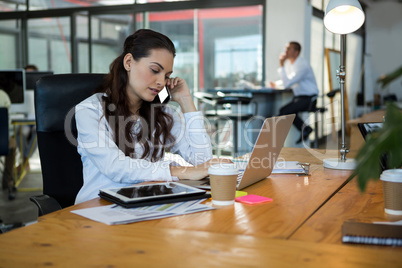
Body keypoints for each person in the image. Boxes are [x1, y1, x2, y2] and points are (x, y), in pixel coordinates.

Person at [74, 29, 229, 204]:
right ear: (129, 62)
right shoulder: (90, 110)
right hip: (98, 208)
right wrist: (181, 172)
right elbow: (115, 166)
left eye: (167, 76)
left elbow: (202, 161)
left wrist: (186, 101)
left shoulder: (164, 114)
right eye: (155, 70)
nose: (161, 82)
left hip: (146, 204)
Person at [270, 41, 319, 144]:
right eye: (285, 49)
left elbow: (288, 83)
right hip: (300, 97)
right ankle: (305, 129)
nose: (285, 51)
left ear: (296, 52)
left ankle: (277, 141)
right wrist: (277, 84)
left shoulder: (302, 65)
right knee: (284, 110)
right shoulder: (293, 64)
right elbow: (291, 80)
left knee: (285, 111)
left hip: (309, 98)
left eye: (288, 49)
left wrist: (281, 65)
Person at [0, 89, 16, 200]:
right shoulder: (3, 95)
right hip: (1, 142)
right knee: (13, 144)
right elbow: (8, 121)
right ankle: (7, 181)